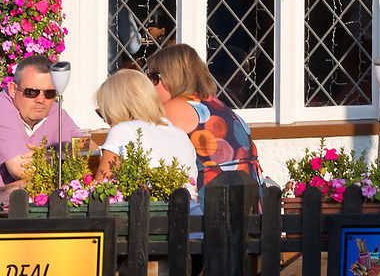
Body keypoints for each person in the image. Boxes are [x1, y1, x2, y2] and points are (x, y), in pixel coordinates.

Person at [0, 57, 87, 186]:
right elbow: (21, 170)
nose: (40, 99)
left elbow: (87, 151)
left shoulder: (54, 111)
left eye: (49, 93)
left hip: (12, 204)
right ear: (13, 90)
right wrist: (62, 158)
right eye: (31, 92)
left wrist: (48, 156)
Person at [147, 44, 259, 189]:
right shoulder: (214, 104)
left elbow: (145, 151)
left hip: (210, 202)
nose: (149, 84)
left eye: (154, 77)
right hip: (249, 199)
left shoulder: (175, 108)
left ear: (171, 77)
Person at [94, 69, 198, 192]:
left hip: (148, 210)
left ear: (116, 107)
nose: (105, 120)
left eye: (104, 113)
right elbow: (193, 191)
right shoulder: (180, 134)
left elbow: (101, 190)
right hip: (190, 210)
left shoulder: (123, 130)